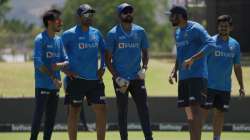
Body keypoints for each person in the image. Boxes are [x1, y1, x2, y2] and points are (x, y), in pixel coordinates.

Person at [105, 3, 153, 140]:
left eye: (130, 12)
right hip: (121, 80)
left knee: (144, 109)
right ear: (119, 15)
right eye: (125, 12)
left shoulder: (140, 31)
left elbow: (145, 53)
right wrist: (116, 77)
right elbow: (107, 59)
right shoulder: (113, 34)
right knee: (122, 111)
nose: (128, 14)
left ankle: (149, 138)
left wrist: (144, 68)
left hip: (137, 78)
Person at [167, 5, 216, 140]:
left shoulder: (196, 28)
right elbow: (180, 55)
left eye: (172, 16)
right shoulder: (177, 32)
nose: (170, 18)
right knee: (189, 114)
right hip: (184, 78)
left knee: (195, 111)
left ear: (180, 16)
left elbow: (211, 44)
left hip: (197, 76)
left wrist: (193, 59)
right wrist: (174, 70)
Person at [61, 4, 106, 140]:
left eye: (91, 14)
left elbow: (104, 51)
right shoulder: (68, 34)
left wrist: (102, 67)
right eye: (86, 14)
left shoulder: (96, 33)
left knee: (102, 109)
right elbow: (58, 55)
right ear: (79, 16)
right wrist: (66, 71)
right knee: (74, 111)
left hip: (94, 80)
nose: (89, 17)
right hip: (76, 80)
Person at [201, 15, 245, 140]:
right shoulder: (210, 42)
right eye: (221, 26)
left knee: (219, 114)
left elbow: (237, 67)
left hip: (224, 87)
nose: (223, 28)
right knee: (203, 113)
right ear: (217, 27)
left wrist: (241, 86)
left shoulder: (235, 45)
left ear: (231, 28)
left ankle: (217, 138)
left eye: (226, 26)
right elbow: (201, 61)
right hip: (208, 86)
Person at [30, 9, 68, 140]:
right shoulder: (40, 39)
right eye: (58, 20)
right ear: (49, 22)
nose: (61, 23)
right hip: (42, 86)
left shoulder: (59, 40)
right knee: (38, 116)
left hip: (55, 87)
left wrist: (60, 65)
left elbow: (66, 60)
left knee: (51, 119)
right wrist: (53, 77)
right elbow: (38, 63)